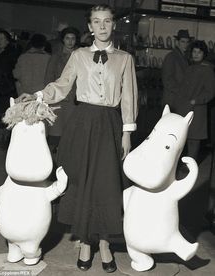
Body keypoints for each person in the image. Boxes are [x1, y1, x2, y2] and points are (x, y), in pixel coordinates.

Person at [16, 4, 138, 273]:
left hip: (110, 124)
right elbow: (61, 85)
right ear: (90, 27)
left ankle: (105, 243)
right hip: (82, 124)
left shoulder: (124, 58)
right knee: (81, 181)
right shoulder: (79, 55)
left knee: (106, 183)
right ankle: (85, 242)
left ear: (114, 25)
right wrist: (37, 96)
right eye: (97, 21)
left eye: (107, 21)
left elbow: (128, 95)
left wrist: (127, 132)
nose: (102, 26)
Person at [174, 40, 215, 162]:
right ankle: (181, 165)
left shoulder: (207, 70)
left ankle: (190, 168)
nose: (196, 54)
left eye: (199, 52)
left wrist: (195, 101)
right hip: (183, 109)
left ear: (204, 54)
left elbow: (210, 92)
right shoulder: (190, 68)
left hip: (197, 111)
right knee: (182, 140)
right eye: (194, 52)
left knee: (193, 142)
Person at [45, 27, 80, 152]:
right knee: (56, 127)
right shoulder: (56, 56)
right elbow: (49, 76)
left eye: (73, 38)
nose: (70, 41)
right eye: (67, 38)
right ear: (63, 40)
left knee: (71, 127)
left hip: (75, 98)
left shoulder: (81, 55)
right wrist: (49, 95)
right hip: (57, 97)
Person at [0, 29, 19, 147]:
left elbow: (8, 70)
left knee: (4, 111)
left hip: (6, 87)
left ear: (7, 41)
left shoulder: (11, 53)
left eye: (2, 39)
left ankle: (4, 136)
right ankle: (0, 135)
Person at [162, 29, 192, 112]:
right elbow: (167, 80)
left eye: (187, 42)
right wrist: (182, 92)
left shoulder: (186, 58)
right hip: (172, 100)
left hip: (180, 100)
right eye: (183, 42)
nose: (185, 44)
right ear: (177, 42)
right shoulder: (171, 57)